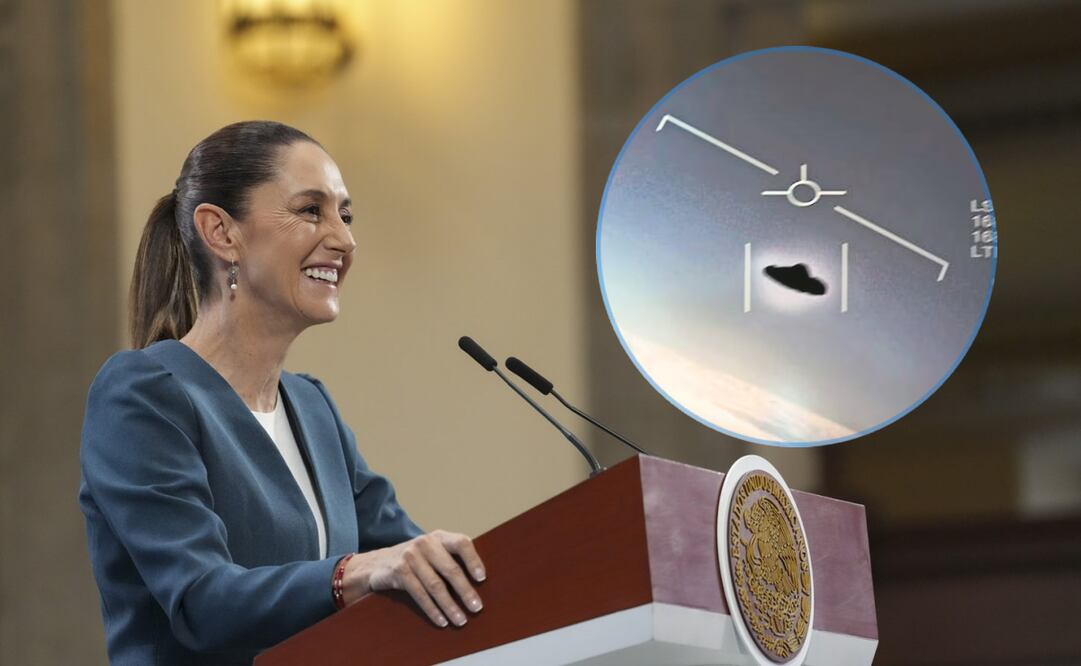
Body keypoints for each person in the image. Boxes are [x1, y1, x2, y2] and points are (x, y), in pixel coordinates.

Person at [78, 121, 486, 666]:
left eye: (345, 214)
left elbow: (413, 563)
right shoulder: (143, 395)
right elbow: (201, 601)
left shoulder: (313, 409)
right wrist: (353, 573)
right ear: (221, 233)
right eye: (310, 210)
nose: (344, 239)